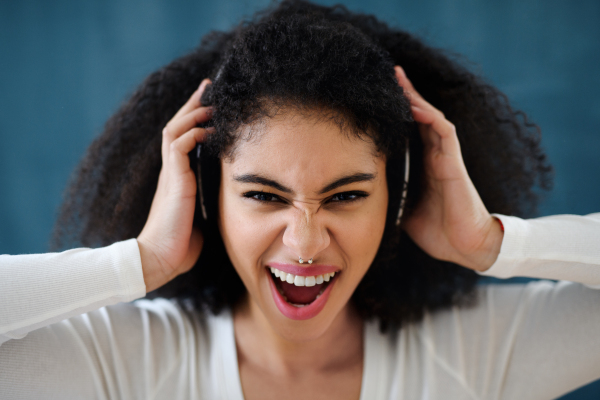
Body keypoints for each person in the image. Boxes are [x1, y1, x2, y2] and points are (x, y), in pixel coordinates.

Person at [1, 0, 599, 399]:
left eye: (346, 195)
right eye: (263, 195)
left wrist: (492, 242)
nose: (306, 243)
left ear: (398, 198)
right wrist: (142, 260)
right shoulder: (122, 360)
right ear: (207, 198)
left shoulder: (481, 354)